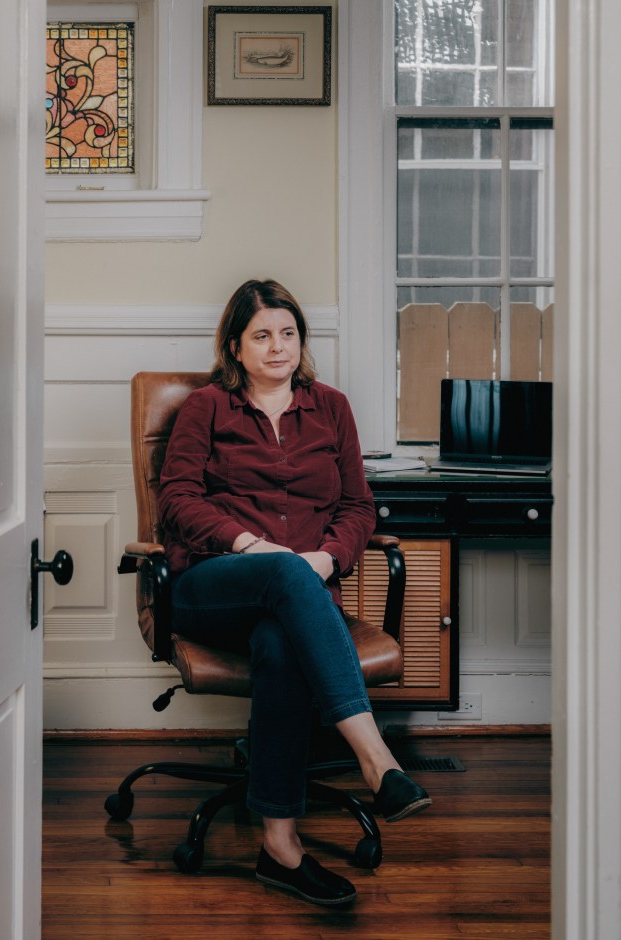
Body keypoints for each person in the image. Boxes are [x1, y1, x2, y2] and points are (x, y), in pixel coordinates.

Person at [157, 278, 431, 906]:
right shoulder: (207, 407)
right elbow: (177, 500)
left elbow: (358, 507)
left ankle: (280, 848)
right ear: (235, 346)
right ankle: (378, 762)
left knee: (280, 644)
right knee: (284, 573)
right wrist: (251, 546)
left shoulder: (331, 408)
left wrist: (328, 557)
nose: (278, 346)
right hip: (211, 585)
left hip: (298, 597)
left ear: (301, 341)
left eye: (288, 333)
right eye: (262, 335)